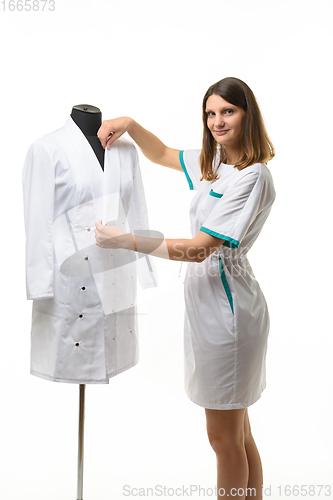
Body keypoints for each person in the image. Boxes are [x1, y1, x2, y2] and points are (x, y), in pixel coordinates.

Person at [95, 76, 276, 500]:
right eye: (210, 113)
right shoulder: (214, 164)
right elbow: (160, 154)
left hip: (229, 311)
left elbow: (198, 250)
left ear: (248, 114)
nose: (217, 121)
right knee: (238, 430)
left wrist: (127, 240)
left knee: (223, 438)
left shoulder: (252, 176)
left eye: (228, 111)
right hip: (209, 304)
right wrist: (131, 124)